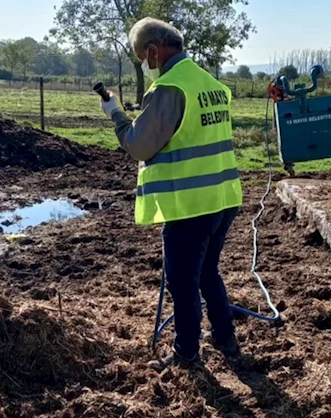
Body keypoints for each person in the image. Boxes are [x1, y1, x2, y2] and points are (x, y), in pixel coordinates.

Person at [99, 17, 243, 370]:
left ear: (153, 50)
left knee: (182, 282)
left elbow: (138, 145)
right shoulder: (208, 83)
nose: (145, 65)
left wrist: (115, 113)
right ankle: (225, 338)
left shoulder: (170, 87)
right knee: (208, 272)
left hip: (190, 203)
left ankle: (186, 354)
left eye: (142, 57)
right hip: (223, 197)